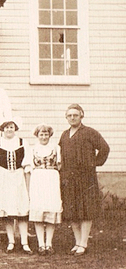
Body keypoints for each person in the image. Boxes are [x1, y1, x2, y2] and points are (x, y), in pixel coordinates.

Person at [59, 104, 109, 256]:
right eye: (70, 115)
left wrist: (94, 163)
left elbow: (104, 148)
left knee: (86, 209)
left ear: (81, 116)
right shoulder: (64, 135)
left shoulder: (90, 132)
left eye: (75, 115)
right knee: (72, 210)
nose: (72, 118)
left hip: (86, 177)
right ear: (66, 117)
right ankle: (77, 242)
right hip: (68, 177)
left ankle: (84, 243)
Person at [0, 117, 32, 254]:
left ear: (15, 128)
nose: (9, 129)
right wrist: (2, 172)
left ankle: (24, 242)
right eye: (6, 127)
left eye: (11, 127)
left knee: (21, 209)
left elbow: (27, 163)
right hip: (4, 177)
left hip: (19, 176)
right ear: (2, 129)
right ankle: (11, 241)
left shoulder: (22, 142)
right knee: (7, 210)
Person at [29, 124, 62, 256]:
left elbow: (60, 165)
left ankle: (49, 243)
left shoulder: (55, 148)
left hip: (52, 178)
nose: (44, 137)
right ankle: (40, 244)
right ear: (37, 136)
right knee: (38, 209)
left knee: (51, 209)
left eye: (46, 134)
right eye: (41, 134)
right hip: (37, 179)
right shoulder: (33, 148)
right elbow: (29, 166)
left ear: (50, 135)